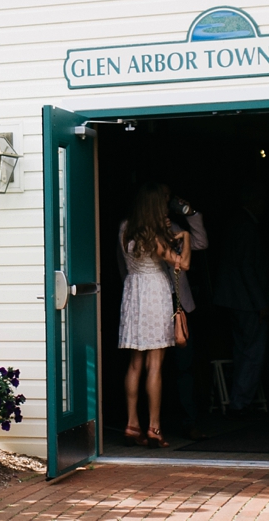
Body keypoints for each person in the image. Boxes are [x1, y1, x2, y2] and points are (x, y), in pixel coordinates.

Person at [117, 182, 190, 448]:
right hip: (154, 292)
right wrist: (185, 237)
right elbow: (184, 263)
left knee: (135, 362)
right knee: (155, 364)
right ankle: (154, 427)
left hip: (133, 290)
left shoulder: (125, 229)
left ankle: (131, 423)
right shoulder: (155, 236)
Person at [212, 174, 269, 415]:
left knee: (241, 349)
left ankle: (239, 398)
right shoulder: (247, 227)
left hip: (232, 299)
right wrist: (261, 302)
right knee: (253, 352)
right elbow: (247, 267)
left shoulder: (235, 223)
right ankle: (241, 402)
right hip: (247, 301)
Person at [166, 193, 208, 437]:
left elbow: (201, 243)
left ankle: (188, 420)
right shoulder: (136, 229)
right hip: (150, 301)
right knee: (154, 365)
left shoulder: (175, 228)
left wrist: (190, 215)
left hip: (179, 301)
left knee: (184, 364)